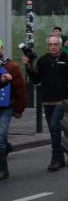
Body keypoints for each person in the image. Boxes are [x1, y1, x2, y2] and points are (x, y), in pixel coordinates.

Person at [23, 34, 68, 171]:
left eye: (55, 44)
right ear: (48, 46)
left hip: (62, 101)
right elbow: (36, 80)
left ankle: (56, 158)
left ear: (60, 45)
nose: (53, 47)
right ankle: (60, 159)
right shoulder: (43, 60)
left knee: (54, 127)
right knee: (54, 131)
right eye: (50, 45)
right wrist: (28, 66)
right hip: (47, 102)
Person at [0, 39, 28, 181]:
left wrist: (19, 109)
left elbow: (20, 90)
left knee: (0, 136)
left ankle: (2, 169)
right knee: (2, 140)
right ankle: (5, 149)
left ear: (2, 49)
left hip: (6, 107)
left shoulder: (12, 67)